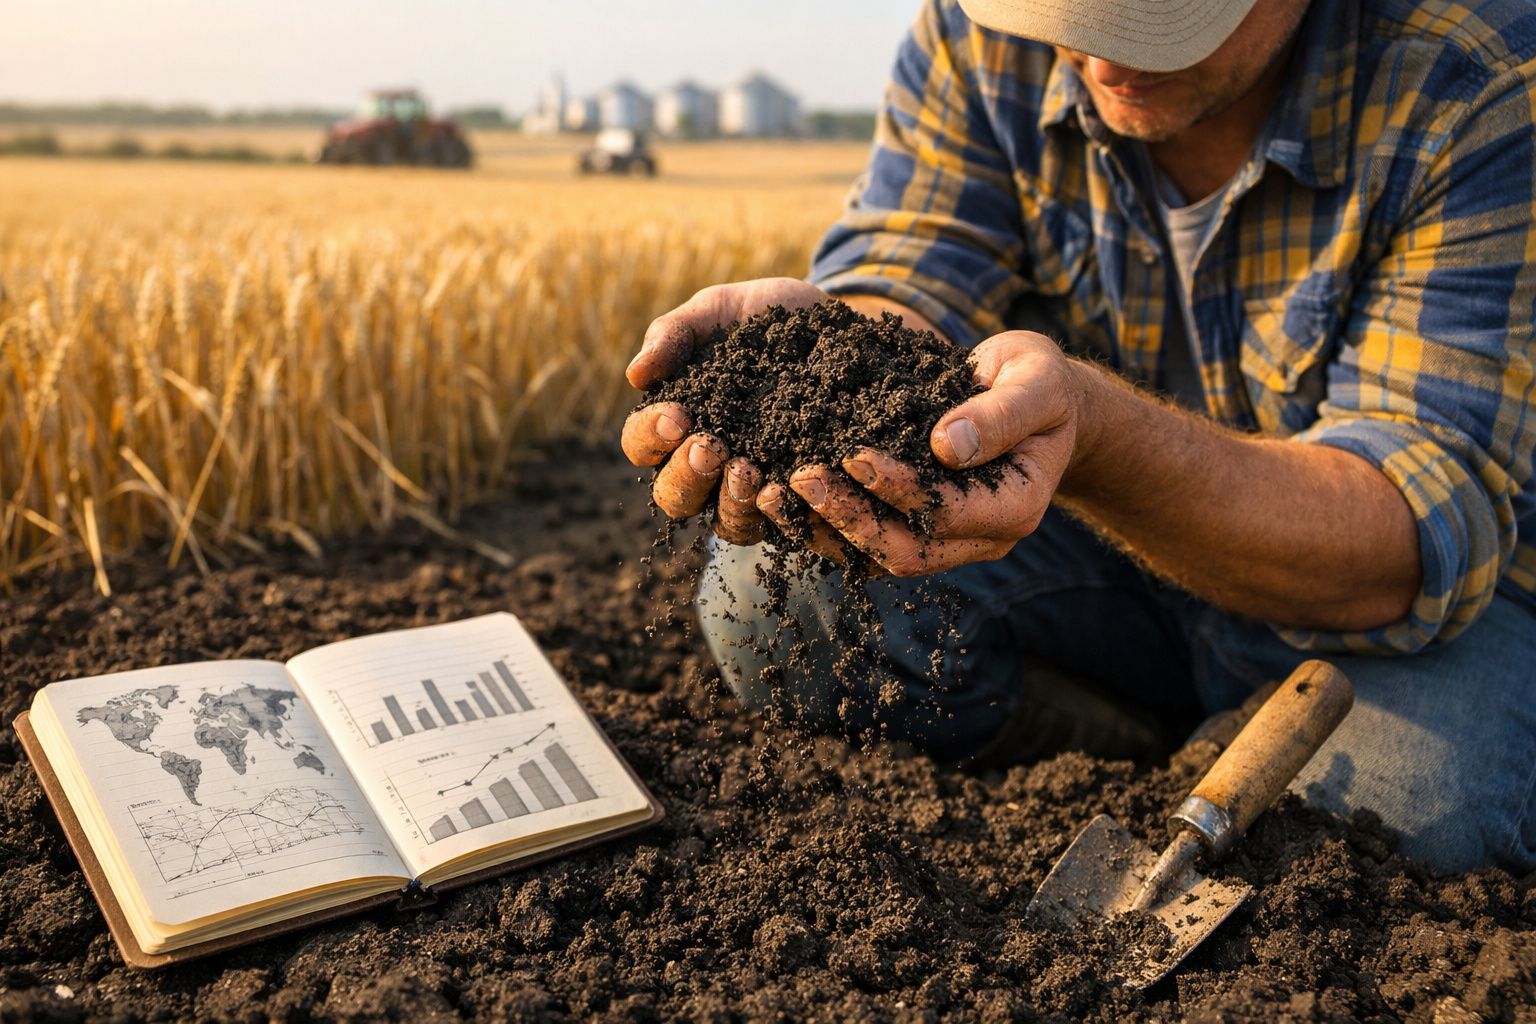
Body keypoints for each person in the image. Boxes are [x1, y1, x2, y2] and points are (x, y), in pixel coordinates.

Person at [620, 0, 1536, 874]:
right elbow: (913, 267)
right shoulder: (981, 32)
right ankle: (1127, 755)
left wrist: (1092, 432)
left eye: (1158, 19)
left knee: (1407, 811)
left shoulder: (1480, 77)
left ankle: (1215, 744)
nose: (1098, 59)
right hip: (1111, 560)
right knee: (780, 603)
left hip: (1402, 609)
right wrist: (835, 354)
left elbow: (1404, 542)